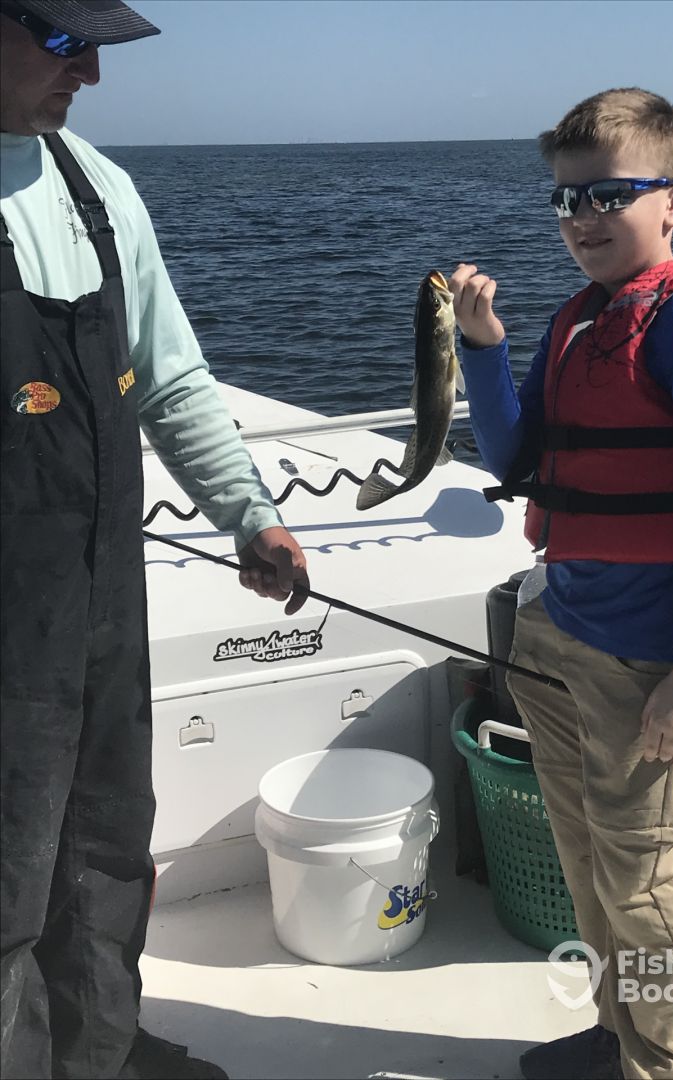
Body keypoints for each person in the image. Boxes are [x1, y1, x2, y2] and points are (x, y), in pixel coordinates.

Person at [0, 2, 310, 1077]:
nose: (89, 72)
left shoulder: (96, 187)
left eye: (97, 44)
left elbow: (169, 378)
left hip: (99, 606)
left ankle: (101, 1051)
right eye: (62, 40)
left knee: (104, 842)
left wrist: (250, 514)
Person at [449, 87, 673, 1080]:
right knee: (584, 856)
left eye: (609, 195)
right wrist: (482, 348)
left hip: (646, 663)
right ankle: (616, 1038)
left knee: (642, 884)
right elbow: (516, 457)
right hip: (560, 632)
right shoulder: (578, 320)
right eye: (566, 200)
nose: (583, 219)